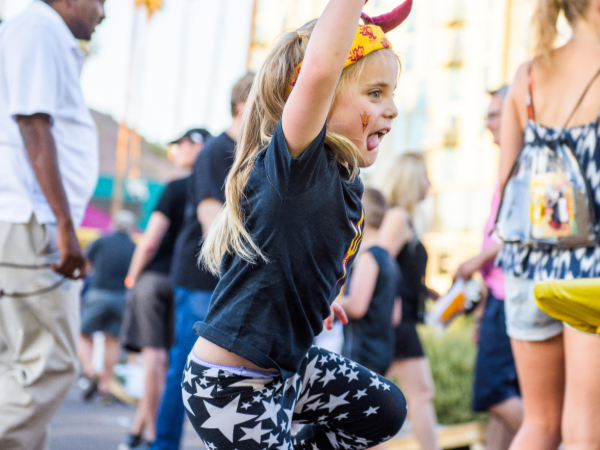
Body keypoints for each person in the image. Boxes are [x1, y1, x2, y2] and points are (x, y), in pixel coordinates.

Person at [186, 1, 411, 448]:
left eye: (392, 94)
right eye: (375, 93)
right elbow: (321, 68)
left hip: (282, 368)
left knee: (385, 409)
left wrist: (317, 298)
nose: (392, 109)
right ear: (322, 98)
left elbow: (299, 253)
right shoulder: (296, 167)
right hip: (230, 386)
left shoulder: (344, 183)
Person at [0, 0, 105, 448]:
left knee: (17, 366)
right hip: (32, 221)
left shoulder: (35, 30)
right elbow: (32, 124)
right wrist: (64, 224)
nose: (103, 13)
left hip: (27, 219)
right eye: (100, 1)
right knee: (52, 364)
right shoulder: (39, 28)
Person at [496, 1, 600, 448]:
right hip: (589, 269)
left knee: (539, 423)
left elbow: (504, 185)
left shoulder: (527, 75)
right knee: (585, 425)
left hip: (527, 265)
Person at [150, 73, 254, 450]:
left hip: (228, 280)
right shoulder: (215, 150)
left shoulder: (255, 153)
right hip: (200, 277)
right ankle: (163, 445)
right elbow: (212, 219)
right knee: (184, 368)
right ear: (243, 105)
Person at [118, 128, 210, 450]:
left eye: (182, 145)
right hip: (191, 284)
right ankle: (139, 429)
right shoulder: (216, 185)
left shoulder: (176, 186)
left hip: (157, 279)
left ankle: (150, 434)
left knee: (153, 361)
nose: (177, 151)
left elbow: (151, 238)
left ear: (195, 146)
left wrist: (131, 277)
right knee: (173, 365)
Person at [454, 87, 522, 450]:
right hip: (498, 297)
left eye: (495, 114)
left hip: (513, 296)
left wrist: (474, 262)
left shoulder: (522, 164)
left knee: (493, 391)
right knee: (499, 401)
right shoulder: (506, 167)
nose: (489, 123)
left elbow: (518, 232)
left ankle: (558, 439)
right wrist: (482, 311)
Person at [379, 152, 441, 450]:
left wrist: (425, 291)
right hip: (396, 319)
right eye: (425, 176)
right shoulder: (399, 216)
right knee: (421, 392)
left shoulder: (404, 217)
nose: (429, 183)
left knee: (376, 395)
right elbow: (379, 261)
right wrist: (390, 303)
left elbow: (400, 267)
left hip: (399, 317)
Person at [338, 187, 401, 377]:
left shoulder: (368, 256)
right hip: (383, 353)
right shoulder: (389, 259)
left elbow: (357, 306)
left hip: (361, 355)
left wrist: (329, 303)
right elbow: (396, 315)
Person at [78, 210, 136, 401]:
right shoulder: (133, 247)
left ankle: (90, 371)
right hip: (122, 297)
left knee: (83, 335)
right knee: (113, 340)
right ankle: (105, 384)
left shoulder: (102, 241)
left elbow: (86, 264)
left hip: (99, 292)